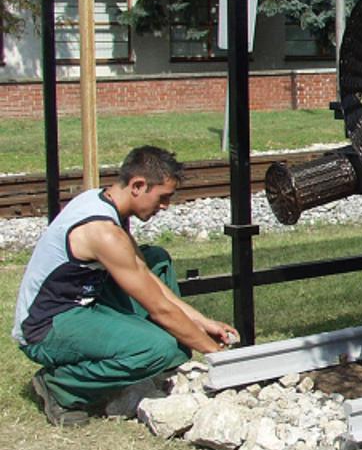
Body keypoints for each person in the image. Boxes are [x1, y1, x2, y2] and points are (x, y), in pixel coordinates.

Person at [12, 146, 238, 427]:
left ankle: (142, 353)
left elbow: (146, 276)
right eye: (163, 197)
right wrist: (217, 355)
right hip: (45, 326)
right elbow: (160, 308)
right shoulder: (104, 233)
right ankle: (60, 387)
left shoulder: (101, 200)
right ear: (138, 185)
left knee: (156, 261)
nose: (166, 206)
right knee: (163, 349)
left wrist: (204, 323)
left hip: (80, 304)